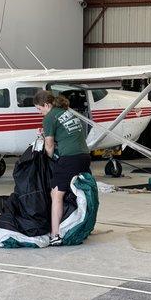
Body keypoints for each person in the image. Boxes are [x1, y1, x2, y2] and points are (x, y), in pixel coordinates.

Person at [33, 90, 90, 246]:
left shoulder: (49, 117)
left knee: (56, 194)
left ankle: (55, 234)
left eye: (39, 109)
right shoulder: (67, 112)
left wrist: (45, 159)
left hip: (70, 158)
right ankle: (81, 225)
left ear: (46, 104)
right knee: (78, 192)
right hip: (84, 156)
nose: (40, 113)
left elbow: (49, 146)